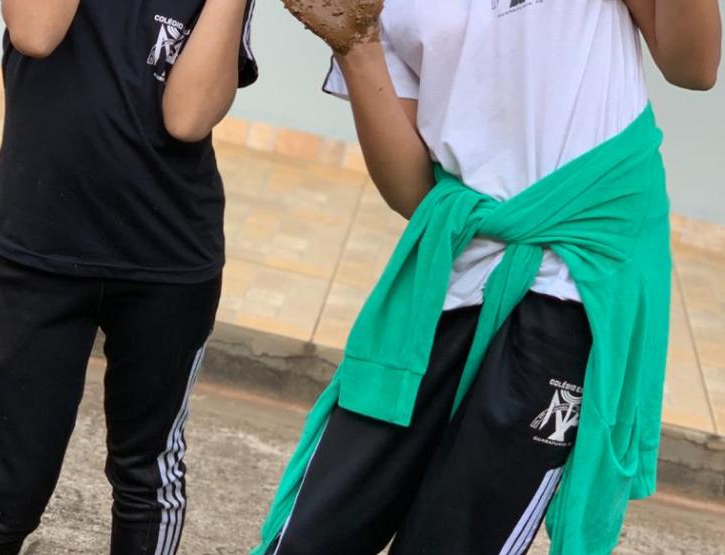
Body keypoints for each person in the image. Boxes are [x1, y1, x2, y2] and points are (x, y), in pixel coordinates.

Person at [255, 0, 720, 554]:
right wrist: (357, 48)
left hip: (573, 283)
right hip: (447, 276)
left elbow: (695, 66)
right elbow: (412, 191)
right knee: (313, 536)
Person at [0, 0, 257, 553]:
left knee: (148, 476)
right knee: (9, 489)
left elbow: (188, 118)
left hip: (168, 259)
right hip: (40, 252)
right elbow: (36, 33)